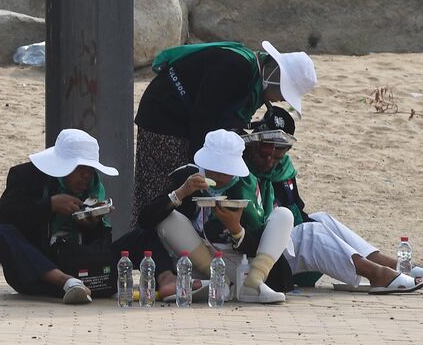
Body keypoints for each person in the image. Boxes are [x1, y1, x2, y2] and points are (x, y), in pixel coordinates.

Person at [244, 107, 423, 291]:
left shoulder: (281, 170)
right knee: (311, 232)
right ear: (255, 144)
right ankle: (376, 274)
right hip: (263, 256)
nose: (270, 162)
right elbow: (255, 221)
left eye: (278, 157)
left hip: (284, 248)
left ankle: (395, 266)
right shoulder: (244, 173)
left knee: (322, 219)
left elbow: (297, 208)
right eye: (265, 154)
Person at [133, 40, 317, 224]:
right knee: (169, 185)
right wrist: (199, 165)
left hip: (186, 118)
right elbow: (203, 118)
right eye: (284, 93)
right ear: (275, 77)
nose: (281, 100)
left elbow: (226, 121)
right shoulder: (235, 67)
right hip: (164, 116)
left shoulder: (252, 77)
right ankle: (148, 236)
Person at [0, 129, 177, 305]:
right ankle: (66, 281)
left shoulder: (92, 185)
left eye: (90, 171)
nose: (86, 177)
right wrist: (50, 206)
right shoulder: (27, 176)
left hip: (85, 264)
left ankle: (167, 280)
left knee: (143, 235)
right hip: (43, 267)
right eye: (80, 170)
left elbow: (98, 244)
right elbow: (3, 217)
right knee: (1, 234)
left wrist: (92, 224)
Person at [136, 129, 294, 304]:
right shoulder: (188, 176)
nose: (218, 176)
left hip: (242, 266)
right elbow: (145, 220)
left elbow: (257, 244)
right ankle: (218, 284)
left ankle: (253, 284)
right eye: (214, 168)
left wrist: (236, 230)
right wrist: (180, 193)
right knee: (167, 217)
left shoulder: (248, 183)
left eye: (225, 170)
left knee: (284, 215)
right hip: (199, 263)